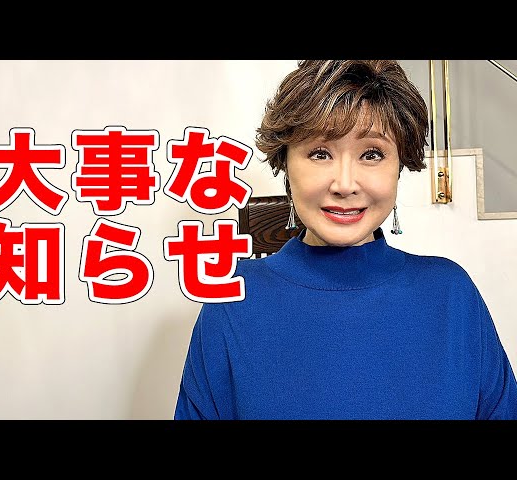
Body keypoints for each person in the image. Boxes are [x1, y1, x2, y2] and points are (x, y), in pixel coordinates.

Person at [173, 60, 517, 420]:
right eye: (320, 153)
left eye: (372, 154)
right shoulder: (231, 300)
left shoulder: (451, 294)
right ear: (285, 164)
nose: (345, 184)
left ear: (398, 167)